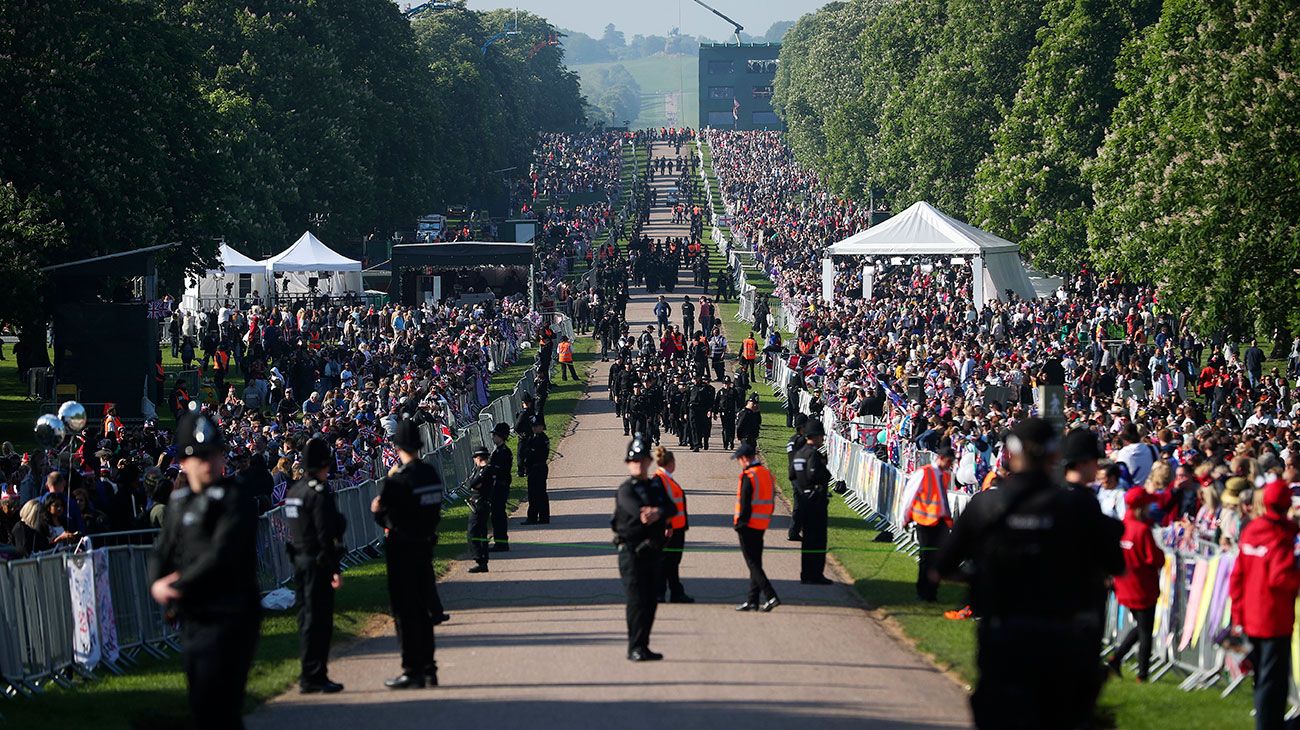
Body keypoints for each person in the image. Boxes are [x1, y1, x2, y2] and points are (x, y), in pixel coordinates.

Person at [932, 418, 1123, 729]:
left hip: (1006, 635)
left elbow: (940, 567)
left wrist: (981, 573)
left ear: (1010, 455)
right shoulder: (1077, 506)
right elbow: (1115, 564)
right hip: (1060, 638)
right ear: (1053, 456)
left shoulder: (987, 504)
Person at [149, 413, 261, 729]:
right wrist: (157, 584)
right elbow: (162, 551)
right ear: (183, 462)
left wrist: (179, 583)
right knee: (201, 706)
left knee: (222, 705)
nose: (207, 463)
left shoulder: (235, 497)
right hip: (195, 616)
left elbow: (222, 553)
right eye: (198, 456)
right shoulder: (179, 502)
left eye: (213, 454)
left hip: (232, 614)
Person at [371, 419, 443, 689]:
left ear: (397, 445)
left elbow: (383, 516)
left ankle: (412, 668)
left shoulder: (398, 480)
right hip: (425, 545)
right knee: (423, 608)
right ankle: (429, 666)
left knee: (406, 611)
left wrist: (379, 506)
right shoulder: (430, 474)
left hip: (402, 548)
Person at [1228, 476, 1300, 730]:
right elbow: (1281, 577)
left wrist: (1237, 613)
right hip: (1274, 618)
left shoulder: (1252, 530)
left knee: (1262, 678)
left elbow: (1237, 575)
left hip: (1251, 615)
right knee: (1274, 681)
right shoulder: (1279, 535)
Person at [284, 437, 347, 694]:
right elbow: (325, 534)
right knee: (319, 621)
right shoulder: (318, 493)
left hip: (299, 560)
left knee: (306, 618)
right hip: (317, 562)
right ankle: (314, 674)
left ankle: (311, 672)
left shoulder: (294, 492)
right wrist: (334, 568)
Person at [612, 435, 677, 661]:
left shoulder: (656, 486)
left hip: (653, 551)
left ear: (649, 462)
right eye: (634, 460)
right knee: (637, 600)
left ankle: (644, 645)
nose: (639, 464)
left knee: (651, 601)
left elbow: (671, 508)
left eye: (642, 460)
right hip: (632, 552)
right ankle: (634, 646)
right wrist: (655, 512)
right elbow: (637, 512)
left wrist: (658, 513)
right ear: (628, 464)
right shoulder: (625, 490)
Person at [1107, 488, 1164, 683]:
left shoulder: (1121, 526)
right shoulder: (1141, 530)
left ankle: (1116, 659)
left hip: (1125, 585)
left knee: (1141, 627)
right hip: (1143, 587)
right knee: (1146, 631)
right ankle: (1142, 675)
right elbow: (1155, 559)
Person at [900, 445, 956, 602]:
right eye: (949, 461)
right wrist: (904, 518)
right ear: (941, 458)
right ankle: (922, 591)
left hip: (940, 522)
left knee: (938, 558)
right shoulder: (923, 472)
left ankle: (932, 592)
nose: (950, 465)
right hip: (924, 522)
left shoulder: (944, 475)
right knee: (926, 558)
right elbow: (909, 496)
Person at [732, 442, 779, 612]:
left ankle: (771, 594)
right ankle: (752, 599)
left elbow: (745, 502)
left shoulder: (749, 475)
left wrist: (740, 523)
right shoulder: (766, 473)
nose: (739, 463)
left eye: (739, 459)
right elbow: (771, 498)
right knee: (756, 561)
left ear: (745, 459)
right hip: (761, 522)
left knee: (752, 563)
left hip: (747, 524)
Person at [792, 419, 833, 585]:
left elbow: (792, 475)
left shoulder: (799, 453)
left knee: (808, 539)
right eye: (821, 436)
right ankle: (816, 573)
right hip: (815, 501)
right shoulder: (813, 454)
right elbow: (815, 474)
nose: (822, 439)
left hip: (802, 498)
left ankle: (806, 573)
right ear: (815, 436)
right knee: (818, 539)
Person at [653, 447, 693, 603]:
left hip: (678, 527)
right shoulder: (660, 480)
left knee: (672, 561)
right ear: (671, 463)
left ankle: (674, 591)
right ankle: (663, 591)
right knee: (666, 561)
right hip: (670, 529)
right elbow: (660, 505)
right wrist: (666, 525)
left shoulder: (667, 478)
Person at [465, 447, 495, 573]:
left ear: (479, 458)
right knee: (480, 532)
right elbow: (471, 483)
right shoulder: (480, 470)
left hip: (480, 504)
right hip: (478, 503)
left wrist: (477, 484)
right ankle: (482, 561)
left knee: (473, 532)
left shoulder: (486, 470)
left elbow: (473, 484)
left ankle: (479, 558)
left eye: (475, 458)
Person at [521, 414, 550, 524]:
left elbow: (533, 454)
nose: (534, 428)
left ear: (541, 427)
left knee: (536, 494)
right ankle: (542, 517)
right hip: (534, 468)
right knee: (537, 493)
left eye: (536, 426)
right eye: (533, 426)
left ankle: (534, 517)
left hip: (538, 467)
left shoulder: (541, 439)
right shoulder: (534, 438)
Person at [488, 422, 513, 551]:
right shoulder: (498, 451)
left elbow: (500, 471)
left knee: (498, 516)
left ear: (501, 436)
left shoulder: (503, 452)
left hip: (500, 486)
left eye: (495, 435)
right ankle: (499, 541)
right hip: (497, 486)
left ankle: (501, 543)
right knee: (496, 515)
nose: (493, 438)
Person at [786, 414, 808, 542]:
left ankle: (794, 531)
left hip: (794, 473)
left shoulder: (792, 439)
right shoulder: (801, 441)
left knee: (799, 504)